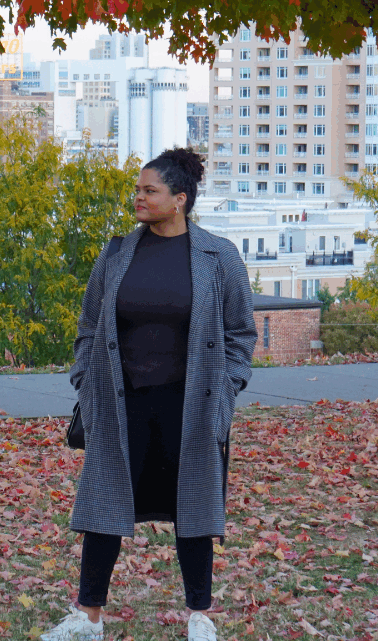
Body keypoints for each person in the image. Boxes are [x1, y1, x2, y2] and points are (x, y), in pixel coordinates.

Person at [43, 148, 257, 641]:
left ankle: (200, 619)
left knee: (195, 511)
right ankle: (88, 619)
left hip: (193, 405)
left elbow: (241, 334)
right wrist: (85, 383)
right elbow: (90, 325)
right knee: (102, 507)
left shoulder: (218, 256)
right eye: (138, 190)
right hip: (121, 403)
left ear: (179, 199)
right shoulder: (118, 252)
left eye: (149, 191)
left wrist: (226, 392)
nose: (138, 198)